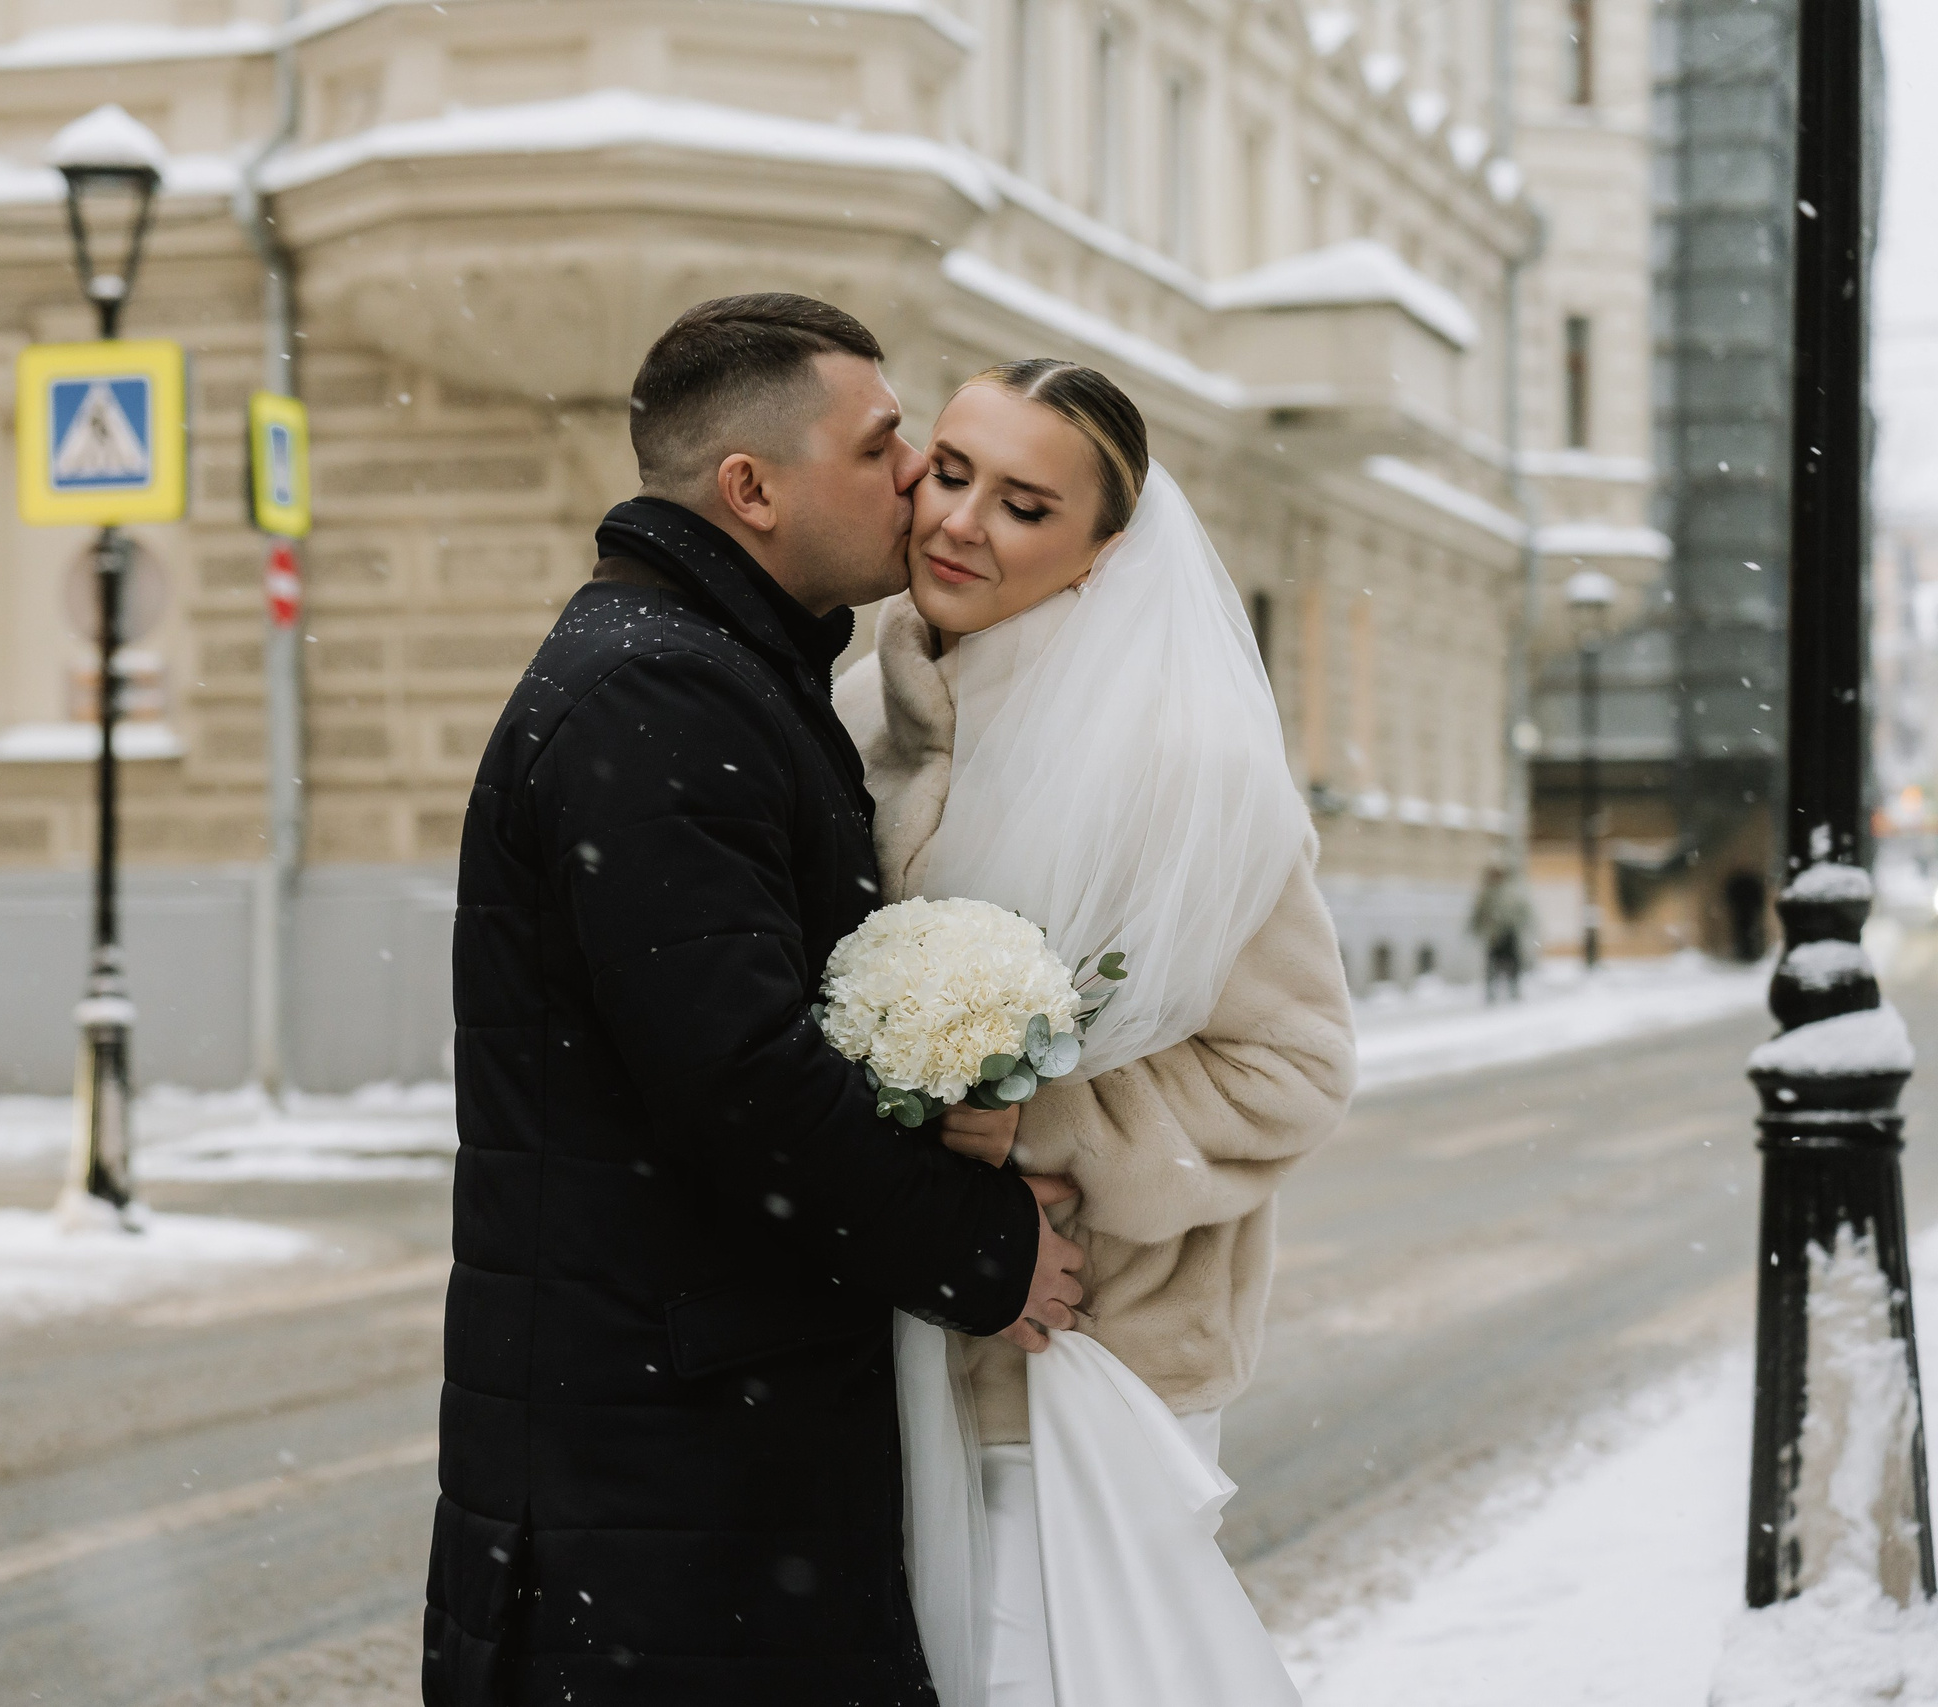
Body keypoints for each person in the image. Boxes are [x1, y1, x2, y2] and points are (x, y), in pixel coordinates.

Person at [425, 298, 1088, 1707]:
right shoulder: (658, 693)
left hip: (692, 1468)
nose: (916, 472)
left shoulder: (715, 673)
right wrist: (983, 1249)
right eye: (882, 441)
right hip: (666, 1494)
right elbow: (746, 1085)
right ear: (752, 489)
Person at [833, 359, 1357, 1706]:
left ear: (1102, 552)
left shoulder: (1185, 759)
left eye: (1022, 505)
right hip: (882, 1347)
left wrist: (1042, 1116)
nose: (959, 522)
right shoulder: (853, 716)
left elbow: (1294, 1066)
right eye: (950, 472)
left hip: (1092, 1351)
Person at [1469, 860, 1536, 1002]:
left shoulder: (1510, 892)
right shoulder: (1487, 893)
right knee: (1493, 964)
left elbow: (1523, 911)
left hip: (1509, 932)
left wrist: (1520, 924)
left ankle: (1513, 988)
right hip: (1494, 935)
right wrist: (1476, 928)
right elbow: (1478, 913)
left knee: (1512, 962)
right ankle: (1492, 991)